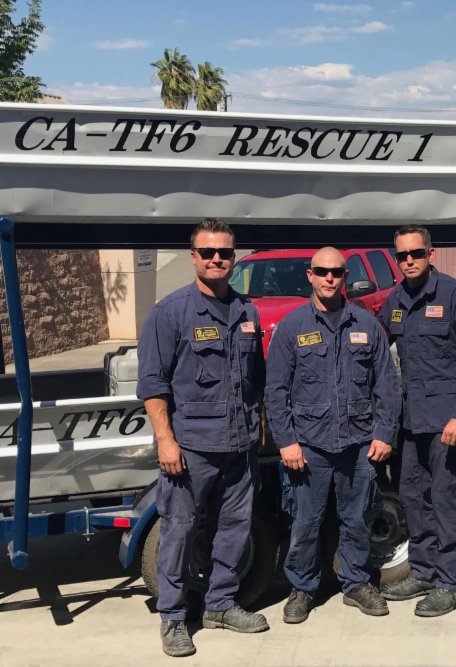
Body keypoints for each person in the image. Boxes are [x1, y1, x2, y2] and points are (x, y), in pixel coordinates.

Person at [137, 218, 269, 658]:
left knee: (235, 527)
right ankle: (173, 617)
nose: (217, 259)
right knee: (179, 531)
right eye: (208, 252)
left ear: (234, 258)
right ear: (193, 257)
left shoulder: (247, 311)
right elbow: (153, 384)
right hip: (192, 447)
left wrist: (260, 419)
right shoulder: (170, 312)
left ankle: (220, 604)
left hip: (240, 444)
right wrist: (165, 440)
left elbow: (255, 377)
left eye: (225, 253)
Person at [264, 247, 402, 624]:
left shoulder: (366, 325)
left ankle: (356, 583)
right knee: (305, 523)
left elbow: (387, 385)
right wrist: (286, 441)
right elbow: (275, 391)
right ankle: (302, 588)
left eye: (337, 272)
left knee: (356, 519)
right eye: (322, 272)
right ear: (310, 275)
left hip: (358, 444)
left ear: (345, 277)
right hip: (309, 446)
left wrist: (384, 434)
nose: (329, 278)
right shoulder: (292, 327)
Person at [377, 225, 456, 617]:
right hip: (412, 425)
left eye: (416, 253)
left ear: (431, 254)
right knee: (413, 498)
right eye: (402, 255)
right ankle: (423, 571)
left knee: (447, 500)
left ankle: (453, 583)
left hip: (447, 426)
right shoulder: (395, 300)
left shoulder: (455, 296)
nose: (409, 261)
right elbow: (378, 343)